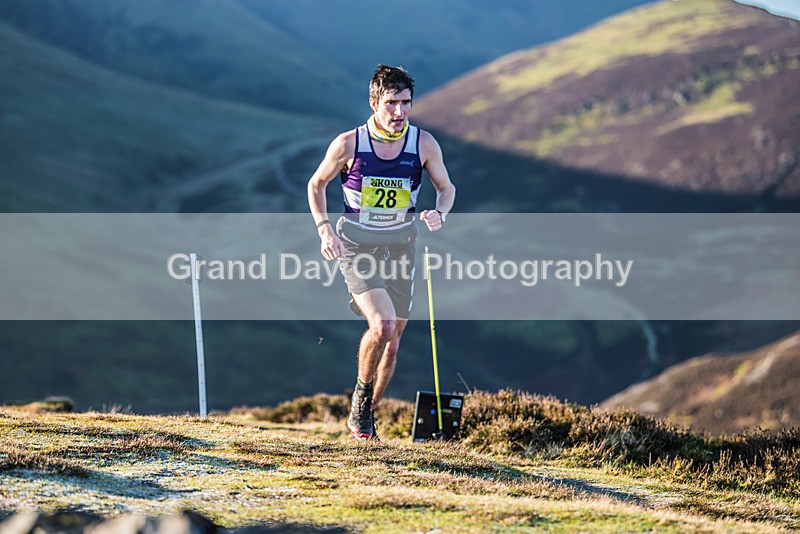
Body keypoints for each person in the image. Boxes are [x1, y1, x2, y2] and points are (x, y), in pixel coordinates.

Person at [307, 64, 456, 441]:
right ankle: (360, 401)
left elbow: (446, 187)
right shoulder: (348, 144)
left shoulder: (423, 144)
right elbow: (316, 184)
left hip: (401, 245)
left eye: (406, 103)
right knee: (383, 325)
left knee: (393, 344)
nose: (399, 112)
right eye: (391, 103)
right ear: (374, 103)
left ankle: (365, 415)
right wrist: (325, 229)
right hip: (356, 244)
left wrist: (440, 211)